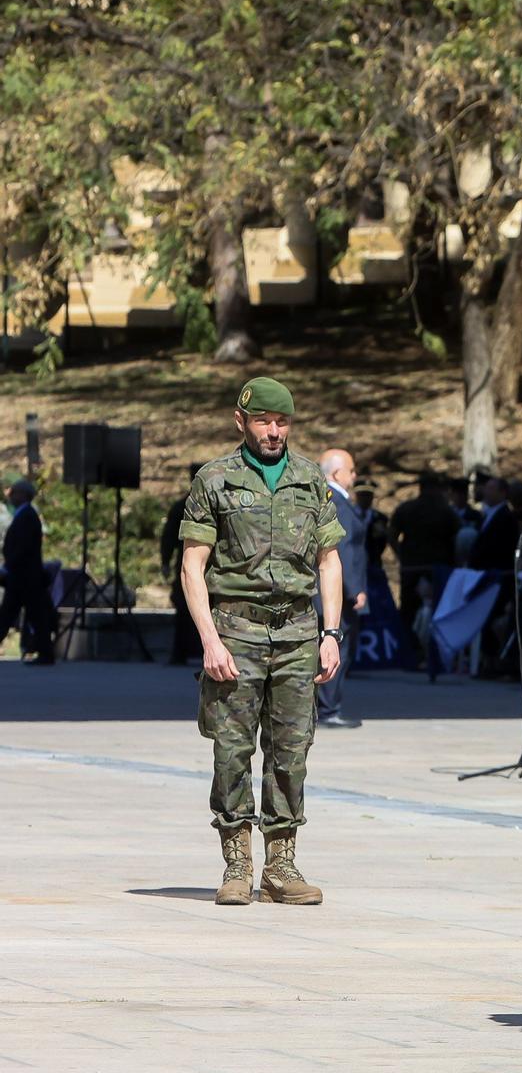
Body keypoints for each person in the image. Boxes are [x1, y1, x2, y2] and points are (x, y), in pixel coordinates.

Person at [178, 377, 346, 906]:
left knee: (291, 752)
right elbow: (192, 566)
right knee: (232, 751)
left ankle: (280, 865)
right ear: (241, 422)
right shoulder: (215, 480)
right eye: (263, 422)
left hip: (298, 633)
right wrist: (209, 639)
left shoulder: (308, 479)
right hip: (235, 632)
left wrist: (332, 633)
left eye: (282, 422)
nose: (273, 432)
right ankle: (236, 862)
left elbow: (329, 560)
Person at [314, 449, 368, 729]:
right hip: (338, 591)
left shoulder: (330, 500)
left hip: (335, 589)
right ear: (336, 474)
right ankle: (328, 707)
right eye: (351, 470)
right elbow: (343, 549)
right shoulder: (336, 502)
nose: (354, 475)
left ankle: (325, 705)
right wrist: (354, 588)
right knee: (337, 648)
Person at [389, 473, 464, 630]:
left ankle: (409, 646)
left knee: (409, 610)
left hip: (414, 567)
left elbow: (391, 535)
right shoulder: (446, 511)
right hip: (437, 567)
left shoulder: (406, 509)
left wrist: (401, 555)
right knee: (439, 610)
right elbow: (460, 537)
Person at [1, 477, 57, 665]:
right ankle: (45, 652)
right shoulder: (24, 515)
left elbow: (23, 548)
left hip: (24, 576)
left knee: (21, 614)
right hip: (24, 576)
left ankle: (46, 653)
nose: (11, 496)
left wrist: (8, 566)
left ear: (24, 495)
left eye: (14, 492)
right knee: (21, 614)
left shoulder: (27, 516)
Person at [160, 464, 205, 665]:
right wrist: (165, 561)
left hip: (207, 564)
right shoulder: (182, 506)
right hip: (186, 562)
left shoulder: (212, 504)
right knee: (183, 608)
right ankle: (179, 653)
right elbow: (169, 537)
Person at [469, 475, 519, 570]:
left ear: (503, 493)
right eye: (486, 488)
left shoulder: (507, 517)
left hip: (495, 569)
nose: (486, 492)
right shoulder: (485, 514)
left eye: (491, 489)